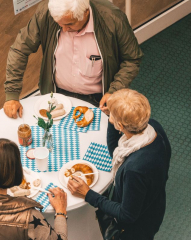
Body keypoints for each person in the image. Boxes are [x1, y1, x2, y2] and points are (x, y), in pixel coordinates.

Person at [4, 0, 143, 118]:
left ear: (86, 13)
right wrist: (12, 94)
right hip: (56, 94)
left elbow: (132, 59)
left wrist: (114, 91)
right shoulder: (46, 13)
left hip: (98, 100)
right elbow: (19, 49)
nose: (64, 29)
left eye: (69, 24)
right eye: (59, 23)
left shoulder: (113, 19)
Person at [67, 89, 171, 240]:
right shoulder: (154, 128)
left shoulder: (134, 169)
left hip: (135, 230)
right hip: (153, 204)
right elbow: (116, 150)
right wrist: (113, 119)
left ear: (121, 126)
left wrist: (88, 194)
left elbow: (127, 215)